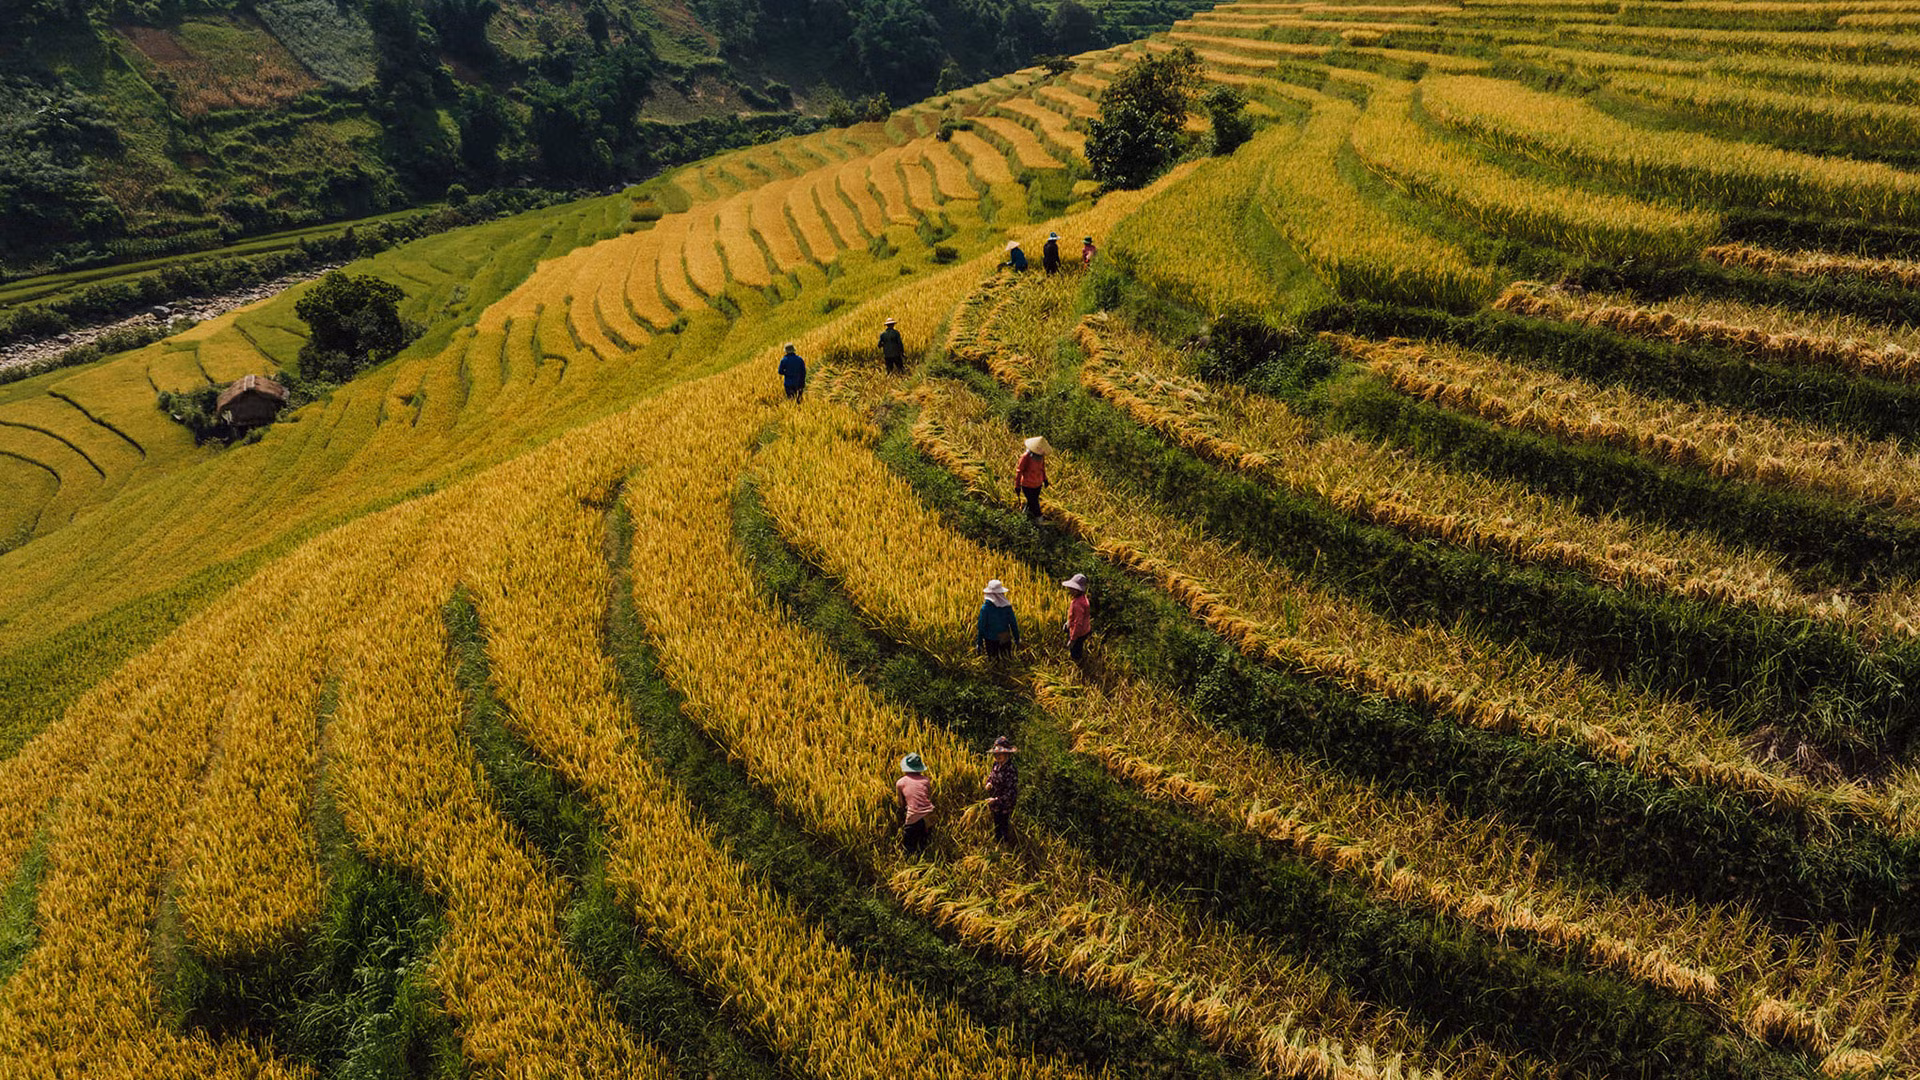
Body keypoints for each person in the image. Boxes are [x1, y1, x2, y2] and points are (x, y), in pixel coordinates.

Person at [897, 753, 934, 855]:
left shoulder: (901, 782)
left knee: (909, 847)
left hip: (913, 816)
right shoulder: (926, 780)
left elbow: (901, 803)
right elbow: (928, 796)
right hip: (928, 816)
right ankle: (925, 865)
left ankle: (911, 867)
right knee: (924, 845)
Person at [986, 736, 1019, 843]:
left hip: (1005, 802)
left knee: (1003, 823)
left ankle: (1005, 846)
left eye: (1000, 753)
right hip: (995, 801)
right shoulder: (996, 765)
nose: (998, 756)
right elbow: (991, 776)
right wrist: (989, 783)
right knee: (996, 823)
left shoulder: (1011, 769)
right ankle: (998, 845)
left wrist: (996, 800)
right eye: (996, 754)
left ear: (1007, 754)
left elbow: (1009, 791)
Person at [976, 579, 1021, 658]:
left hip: (991, 639)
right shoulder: (1007, 607)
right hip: (1005, 636)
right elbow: (1013, 623)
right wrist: (1016, 638)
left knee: (994, 663)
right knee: (1006, 661)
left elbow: (981, 626)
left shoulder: (986, 608)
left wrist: (979, 642)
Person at [1015, 435, 1050, 523]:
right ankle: (1039, 519)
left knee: (1032, 501)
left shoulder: (1040, 457)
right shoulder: (1025, 457)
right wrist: (1017, 485)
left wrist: (1045, 479)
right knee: (1034, 503)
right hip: (1027, 485)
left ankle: (1025, 516)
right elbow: (1019, 471)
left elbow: (1042, 469)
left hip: (1038, 485)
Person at [1062, 573, 1092, 662]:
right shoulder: (1083, 598)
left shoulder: (1077, 604)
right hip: (1085, 629)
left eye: (1072, 589)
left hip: (1079, 633)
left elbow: (1078, 624)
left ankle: (1077, 663)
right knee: (1078, 645)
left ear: (1077, 590)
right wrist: (1068, 622)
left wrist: (1072, 640)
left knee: (1075, 651)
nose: (1069, 590)